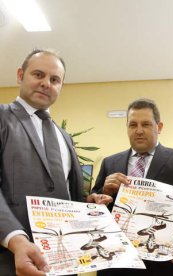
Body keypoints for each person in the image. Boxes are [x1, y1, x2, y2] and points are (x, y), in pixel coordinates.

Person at [0, 49, 112, 276]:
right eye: (38, 75)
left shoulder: (64, 137)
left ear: (61, 86)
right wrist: (15, 240)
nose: (46, 84)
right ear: (20, 75)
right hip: (11, 261)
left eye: (54, 80)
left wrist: (87, 203)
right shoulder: (2, 118)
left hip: (64, 261)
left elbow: (68, 196)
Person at [90, 98, 173, 276]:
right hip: (118, 260)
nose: (139, 131)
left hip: (164, 262)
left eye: (146, 124)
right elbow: (93, 204)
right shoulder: (110, 162)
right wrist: (103, 192)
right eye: (133, 125)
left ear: (159, 127)